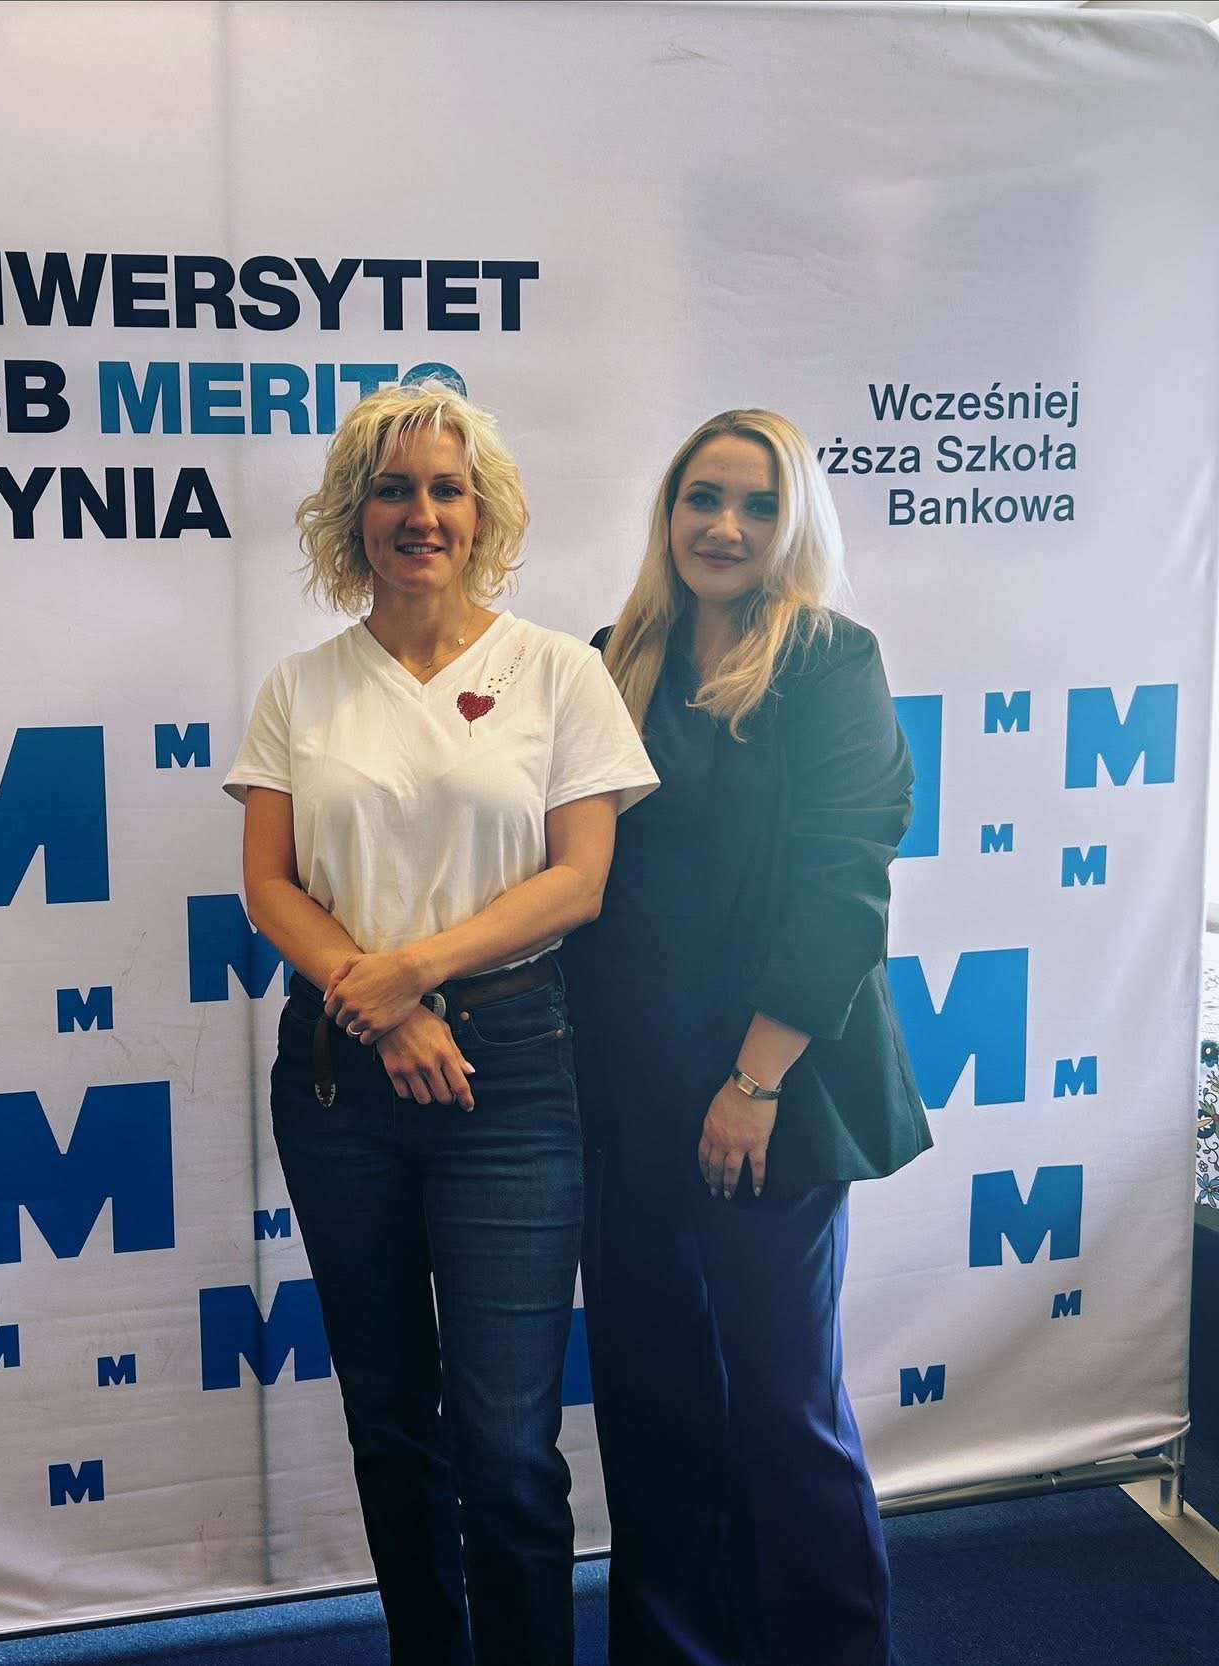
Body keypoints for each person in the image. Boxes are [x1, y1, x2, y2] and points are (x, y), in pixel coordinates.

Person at [223, 381, 657, 1666]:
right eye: (393, 489)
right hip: (338, 1083)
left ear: (485, 512)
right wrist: (382, 1010)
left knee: (508, 1440)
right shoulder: (299, 687)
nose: (421, 514)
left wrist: (409, 974)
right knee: (387, 1420)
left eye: (446, 489)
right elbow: (268, 886)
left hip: (508, 1078)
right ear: (352, 515)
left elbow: (577, 882)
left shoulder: (559, 673)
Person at [565, 408, 934, 1666]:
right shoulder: (609, 659)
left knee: (779, 1408)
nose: (723, 526)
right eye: (701, 498)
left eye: (757, 504)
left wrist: (753, 1078)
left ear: (793, 525)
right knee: (651, 1405)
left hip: (768, 1092)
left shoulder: (828, 660)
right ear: (666, 514)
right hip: (625, 1094)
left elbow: (843, 886)